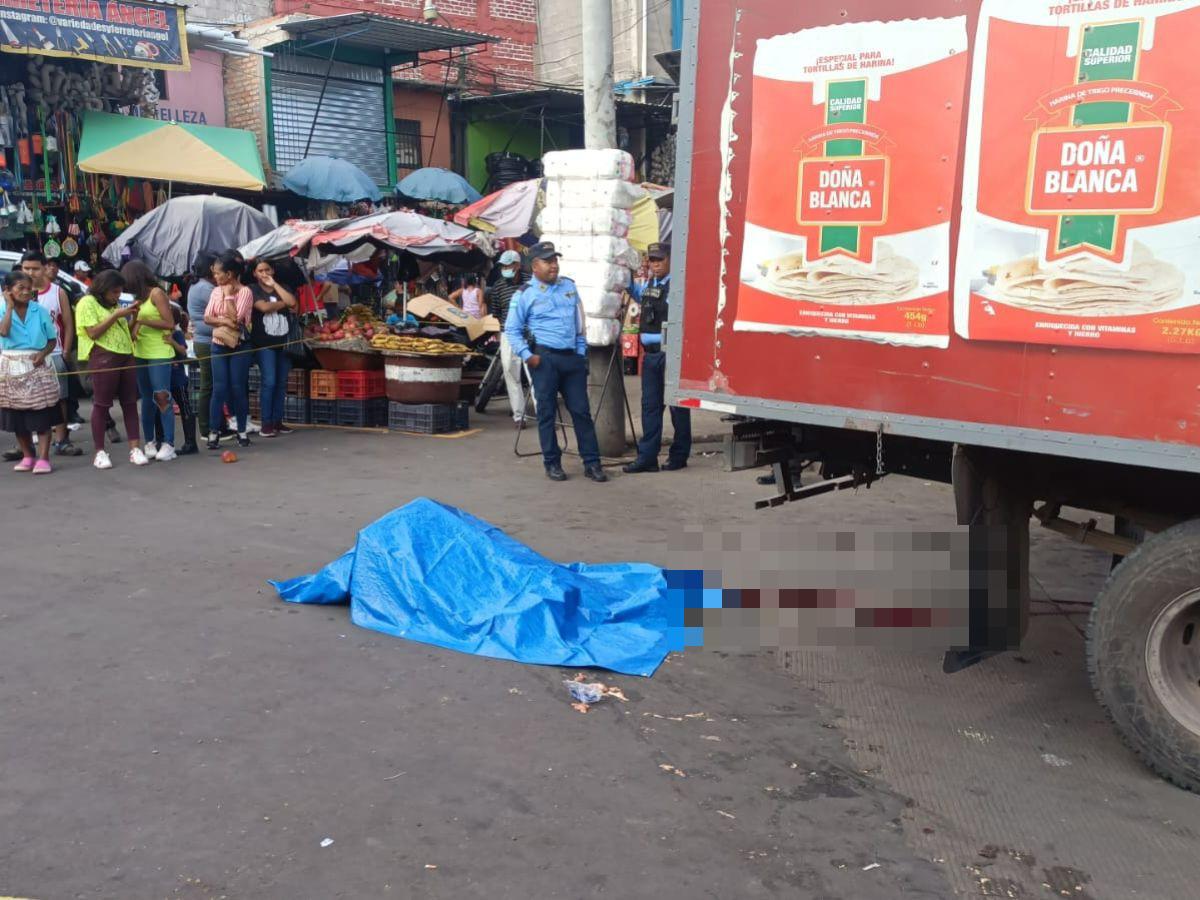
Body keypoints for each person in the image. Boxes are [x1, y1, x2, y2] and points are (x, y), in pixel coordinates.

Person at [504, 242, 607, 483]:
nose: (554, 265)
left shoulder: (569, 287)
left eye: (555, 260)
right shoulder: (524, 294)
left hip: (572, 360)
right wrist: (528, 356)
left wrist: (581, 354)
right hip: (545, 360)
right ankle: (552, 463)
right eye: (548, 261)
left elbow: (579, 324)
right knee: (547, 413)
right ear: (535, 266)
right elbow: (512, 329)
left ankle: (592, 463)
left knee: (581, 412)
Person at [623, 243, 691, 474]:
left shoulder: (677, 286)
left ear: (671, 260)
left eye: (660, 260)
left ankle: (679, 455)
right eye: (652, 260)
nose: (655, 264)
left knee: (677, 407)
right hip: (651, 356)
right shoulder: (649, 286)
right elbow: (634, 291)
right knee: (650, 407)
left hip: (670, 354)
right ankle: (647, 457)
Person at [74, 269, 149, 468]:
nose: (117, 296)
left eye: (119, 292)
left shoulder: (113, 306)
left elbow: (128, 334)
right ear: (103, 289)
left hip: (125, 354)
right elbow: (93, 333)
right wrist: (117, 315)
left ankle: (135, 448)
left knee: (130, 402)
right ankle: (99, 451)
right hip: (102, 356)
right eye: (114, 292)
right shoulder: (86, 303)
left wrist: (133, 316)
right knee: (102, 404)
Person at [0, 271, 63, 473]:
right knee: (17, 416)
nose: (26, 292)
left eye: (29, 288)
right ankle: (28, 455)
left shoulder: (39, 311)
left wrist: (43, 353)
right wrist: (9, 307)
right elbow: (3, 332)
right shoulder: (2, 309)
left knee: (41, 414)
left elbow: (52, 340)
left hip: (37, 364)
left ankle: (43, 458)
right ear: (7, 291)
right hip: (12, 366)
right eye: (21, 288)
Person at [21, 250, 81, 458]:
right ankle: (25, 444)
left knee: (60, 399)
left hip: (54, 353)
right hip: (24, 356)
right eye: (26, 268)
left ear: (45, 268)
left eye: (35, 268)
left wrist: (66, 350)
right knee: (25, 399)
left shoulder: (57, 292)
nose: (30, 272)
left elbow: (67, 324)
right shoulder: (15, 293)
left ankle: (62, 440)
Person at [123, 260, 179, 462]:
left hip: (159, 352)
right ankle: (150, 441)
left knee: (162, 396)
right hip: (140, 352)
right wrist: (132, 320)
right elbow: (131, 328)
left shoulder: (157, 293)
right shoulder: (138, 299)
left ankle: (169, 443)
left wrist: (141, 320)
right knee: (146, 399)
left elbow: (169, 323)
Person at [204, 251, 254, 450]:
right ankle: (214, 431)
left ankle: (241, 430)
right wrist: (224, 320)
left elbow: (237, 321)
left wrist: (228, 298)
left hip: (239, 345)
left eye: (218, 273)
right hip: (218, 344)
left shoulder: (245, 292)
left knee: (237, 387)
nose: (215, 277)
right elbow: (207, 317)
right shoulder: (215, 291)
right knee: (219, 388)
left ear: (230, 274)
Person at [248, 257, 298, 438]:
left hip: (284, 342)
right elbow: (263, 307)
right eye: (260, 271)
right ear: (254, 273)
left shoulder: (282, 286)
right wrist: (283, 303)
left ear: (273, 271)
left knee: (282, 382)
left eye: (267, 270)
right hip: (264, 344)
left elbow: (292, 301)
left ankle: (278, 420)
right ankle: (266, 423)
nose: (264, 274)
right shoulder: (252, 290)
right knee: (269, 382)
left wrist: (275, 285)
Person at [186, 250, 224, 442]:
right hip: (207, 341)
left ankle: (213, 426)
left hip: (204, 340)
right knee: (209, 386)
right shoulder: (206, 289)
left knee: (210, 385)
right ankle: (207, 428)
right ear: (211, 268)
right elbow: (222, 309)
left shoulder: (199, 286)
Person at [487, 249, 527, 425]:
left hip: (529, 335)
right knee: (511, 373)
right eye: (503, 265)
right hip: (508, 335)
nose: (505, 268)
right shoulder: (498, 287)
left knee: (535, 376)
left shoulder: (531, 283)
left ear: (517, 266)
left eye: (508, 265)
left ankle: (544, 416)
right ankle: (519, 415)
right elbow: (496, 313)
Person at [154, 302, 198, 455]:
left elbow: (183, 351)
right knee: (160, 408)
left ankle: (191, 442)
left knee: (185, 408)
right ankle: (159, 441)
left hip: (178, 379)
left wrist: (171, 341)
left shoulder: (177, 334)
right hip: (162, 378)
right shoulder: (156, 334)